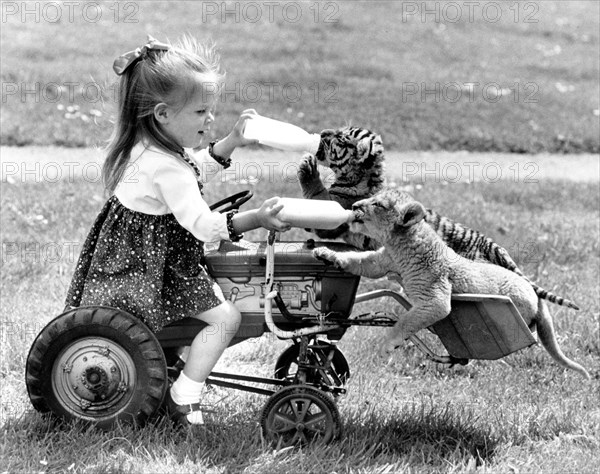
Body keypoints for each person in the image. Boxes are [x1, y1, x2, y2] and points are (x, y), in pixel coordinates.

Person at [65, 35, 291, 426]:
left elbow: (195, 167)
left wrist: (233, 141)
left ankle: (181, 366)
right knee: (227, 318)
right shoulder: (166, 167)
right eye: (201, 111)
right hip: (154, 267)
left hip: (144, 256)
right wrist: (256, 218)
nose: (210, 120)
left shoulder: (155, 146)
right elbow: (204, 226)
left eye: (211, 111)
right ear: (163, 114)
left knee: (214, 308)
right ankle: (184, 393)